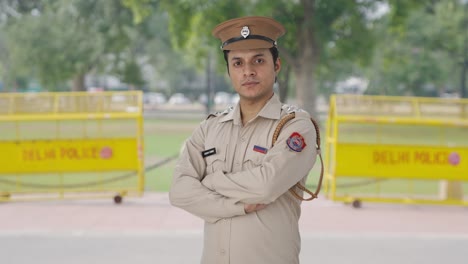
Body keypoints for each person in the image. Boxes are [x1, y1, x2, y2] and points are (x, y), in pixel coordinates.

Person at [169, 16, 318, 264]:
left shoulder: (295, 126)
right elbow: (179, 192)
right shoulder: (210, 128)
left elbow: (265, 186)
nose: (248, 71)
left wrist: (211, 180)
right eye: (238, 63)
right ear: (229, 71)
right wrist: (235, 206)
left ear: (277, 65)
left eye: (258, 60)